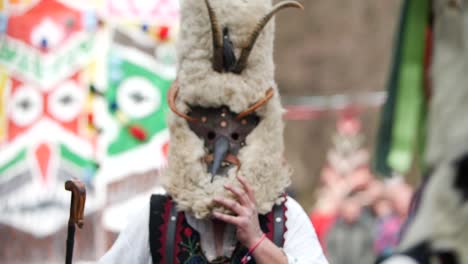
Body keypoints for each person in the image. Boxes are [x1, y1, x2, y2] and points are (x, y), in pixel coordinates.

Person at [99, 0, 328, 263]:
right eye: (207, 135)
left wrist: (257, 241)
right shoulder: (159, 218)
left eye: (236, 136)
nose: (220, 150)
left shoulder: (284, 218)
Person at [326, 193, 375, 264]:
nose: (351, 211)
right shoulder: (334, 229)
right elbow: (330, 253)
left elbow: (369, 254)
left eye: (354, 208)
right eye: (349, 208)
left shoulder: (366, 229)